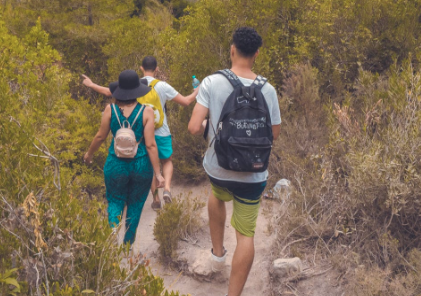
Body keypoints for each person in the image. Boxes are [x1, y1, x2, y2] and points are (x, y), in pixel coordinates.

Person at [188, 27, 282, 296]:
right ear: (256, 54)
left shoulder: (211, 82)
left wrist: (210, 126)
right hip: (254, 175)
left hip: (220, 169)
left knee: (217, 195)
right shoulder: (269, 90)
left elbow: (194, 127)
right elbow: (273, 134)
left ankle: (218, 255)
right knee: (246, 235)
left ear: (232, 50)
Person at [81, 56, 198, 209]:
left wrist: (91, 84)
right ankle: (167, 188)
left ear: (141, 68)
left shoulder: (135, 86)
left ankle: (156, 199)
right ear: (156, 69)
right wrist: (197, 91)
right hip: (162, 131)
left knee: (149, 164)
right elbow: (186, 101)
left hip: (141, 132)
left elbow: (109, 92)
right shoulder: (163, 86)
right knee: (167, 161)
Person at [83, 69, 165, 245]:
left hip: (115, 164)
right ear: (137, 91)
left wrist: (89, 154)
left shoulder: (110, 109)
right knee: (135, 206)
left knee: (115, 201)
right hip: (141, 166)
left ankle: (112, 233)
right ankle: (127, 249)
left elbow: (100, 136)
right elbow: (151, 145)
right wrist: (158, 174)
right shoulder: (146, 112)